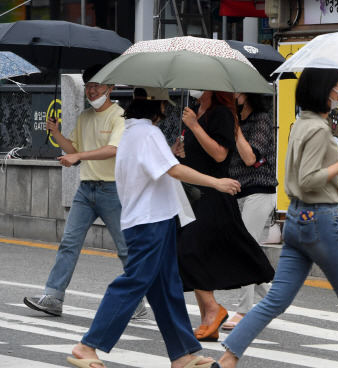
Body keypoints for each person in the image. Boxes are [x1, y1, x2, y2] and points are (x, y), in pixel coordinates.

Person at [213, 67, 338, 368]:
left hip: (297, 220)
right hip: (321, 223)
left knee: (275, 300)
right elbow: (309, 180)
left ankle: (228, 358)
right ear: (325, 90)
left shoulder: (302, 124)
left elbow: (323, 184)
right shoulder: (319, 130)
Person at [67, 87, 241, 368]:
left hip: (152, 219)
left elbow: (158, 167)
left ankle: (183, 354)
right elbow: (173, 170)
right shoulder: (147, 133)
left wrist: (170, 153)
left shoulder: (133, 132)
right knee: (135, 281)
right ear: (156, 107)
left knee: (167, 289)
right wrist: (217, 182)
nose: (166, 110)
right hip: (149, 221)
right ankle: (87, 345)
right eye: (164, 105)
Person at [24, 64, 146, 319]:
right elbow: (72, 151)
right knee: (69, 243)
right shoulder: (84, 117)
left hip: (113, 191)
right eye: (88, 85)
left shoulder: (120, 116)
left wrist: (78, 154)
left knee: (124, 248)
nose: (91, 91)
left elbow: (113, 150)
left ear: (110, 88)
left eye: (97, 86)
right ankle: (53, 297)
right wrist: (56, 133)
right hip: (85, 190)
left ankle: (137, 301)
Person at [176, 90, 275, 342]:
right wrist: (179, 150)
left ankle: (217, 310)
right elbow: (196, 154)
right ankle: (209, 320)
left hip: (214, 195)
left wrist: (195, 126)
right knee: (196, 254)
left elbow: (220, 154)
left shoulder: (220, 113)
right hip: (194, 195)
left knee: (189, 250)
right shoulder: (196, 111)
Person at [222, 92, 278, 331]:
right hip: (236, 192)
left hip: (259, 191)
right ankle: (273, 299)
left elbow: (249, 157)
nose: (231, 96)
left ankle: (244, 311)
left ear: (245, 94)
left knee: (244, 247)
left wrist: (234, 125)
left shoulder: (262, 120)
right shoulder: (237, 121)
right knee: (241, 249)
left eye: (234, 93)